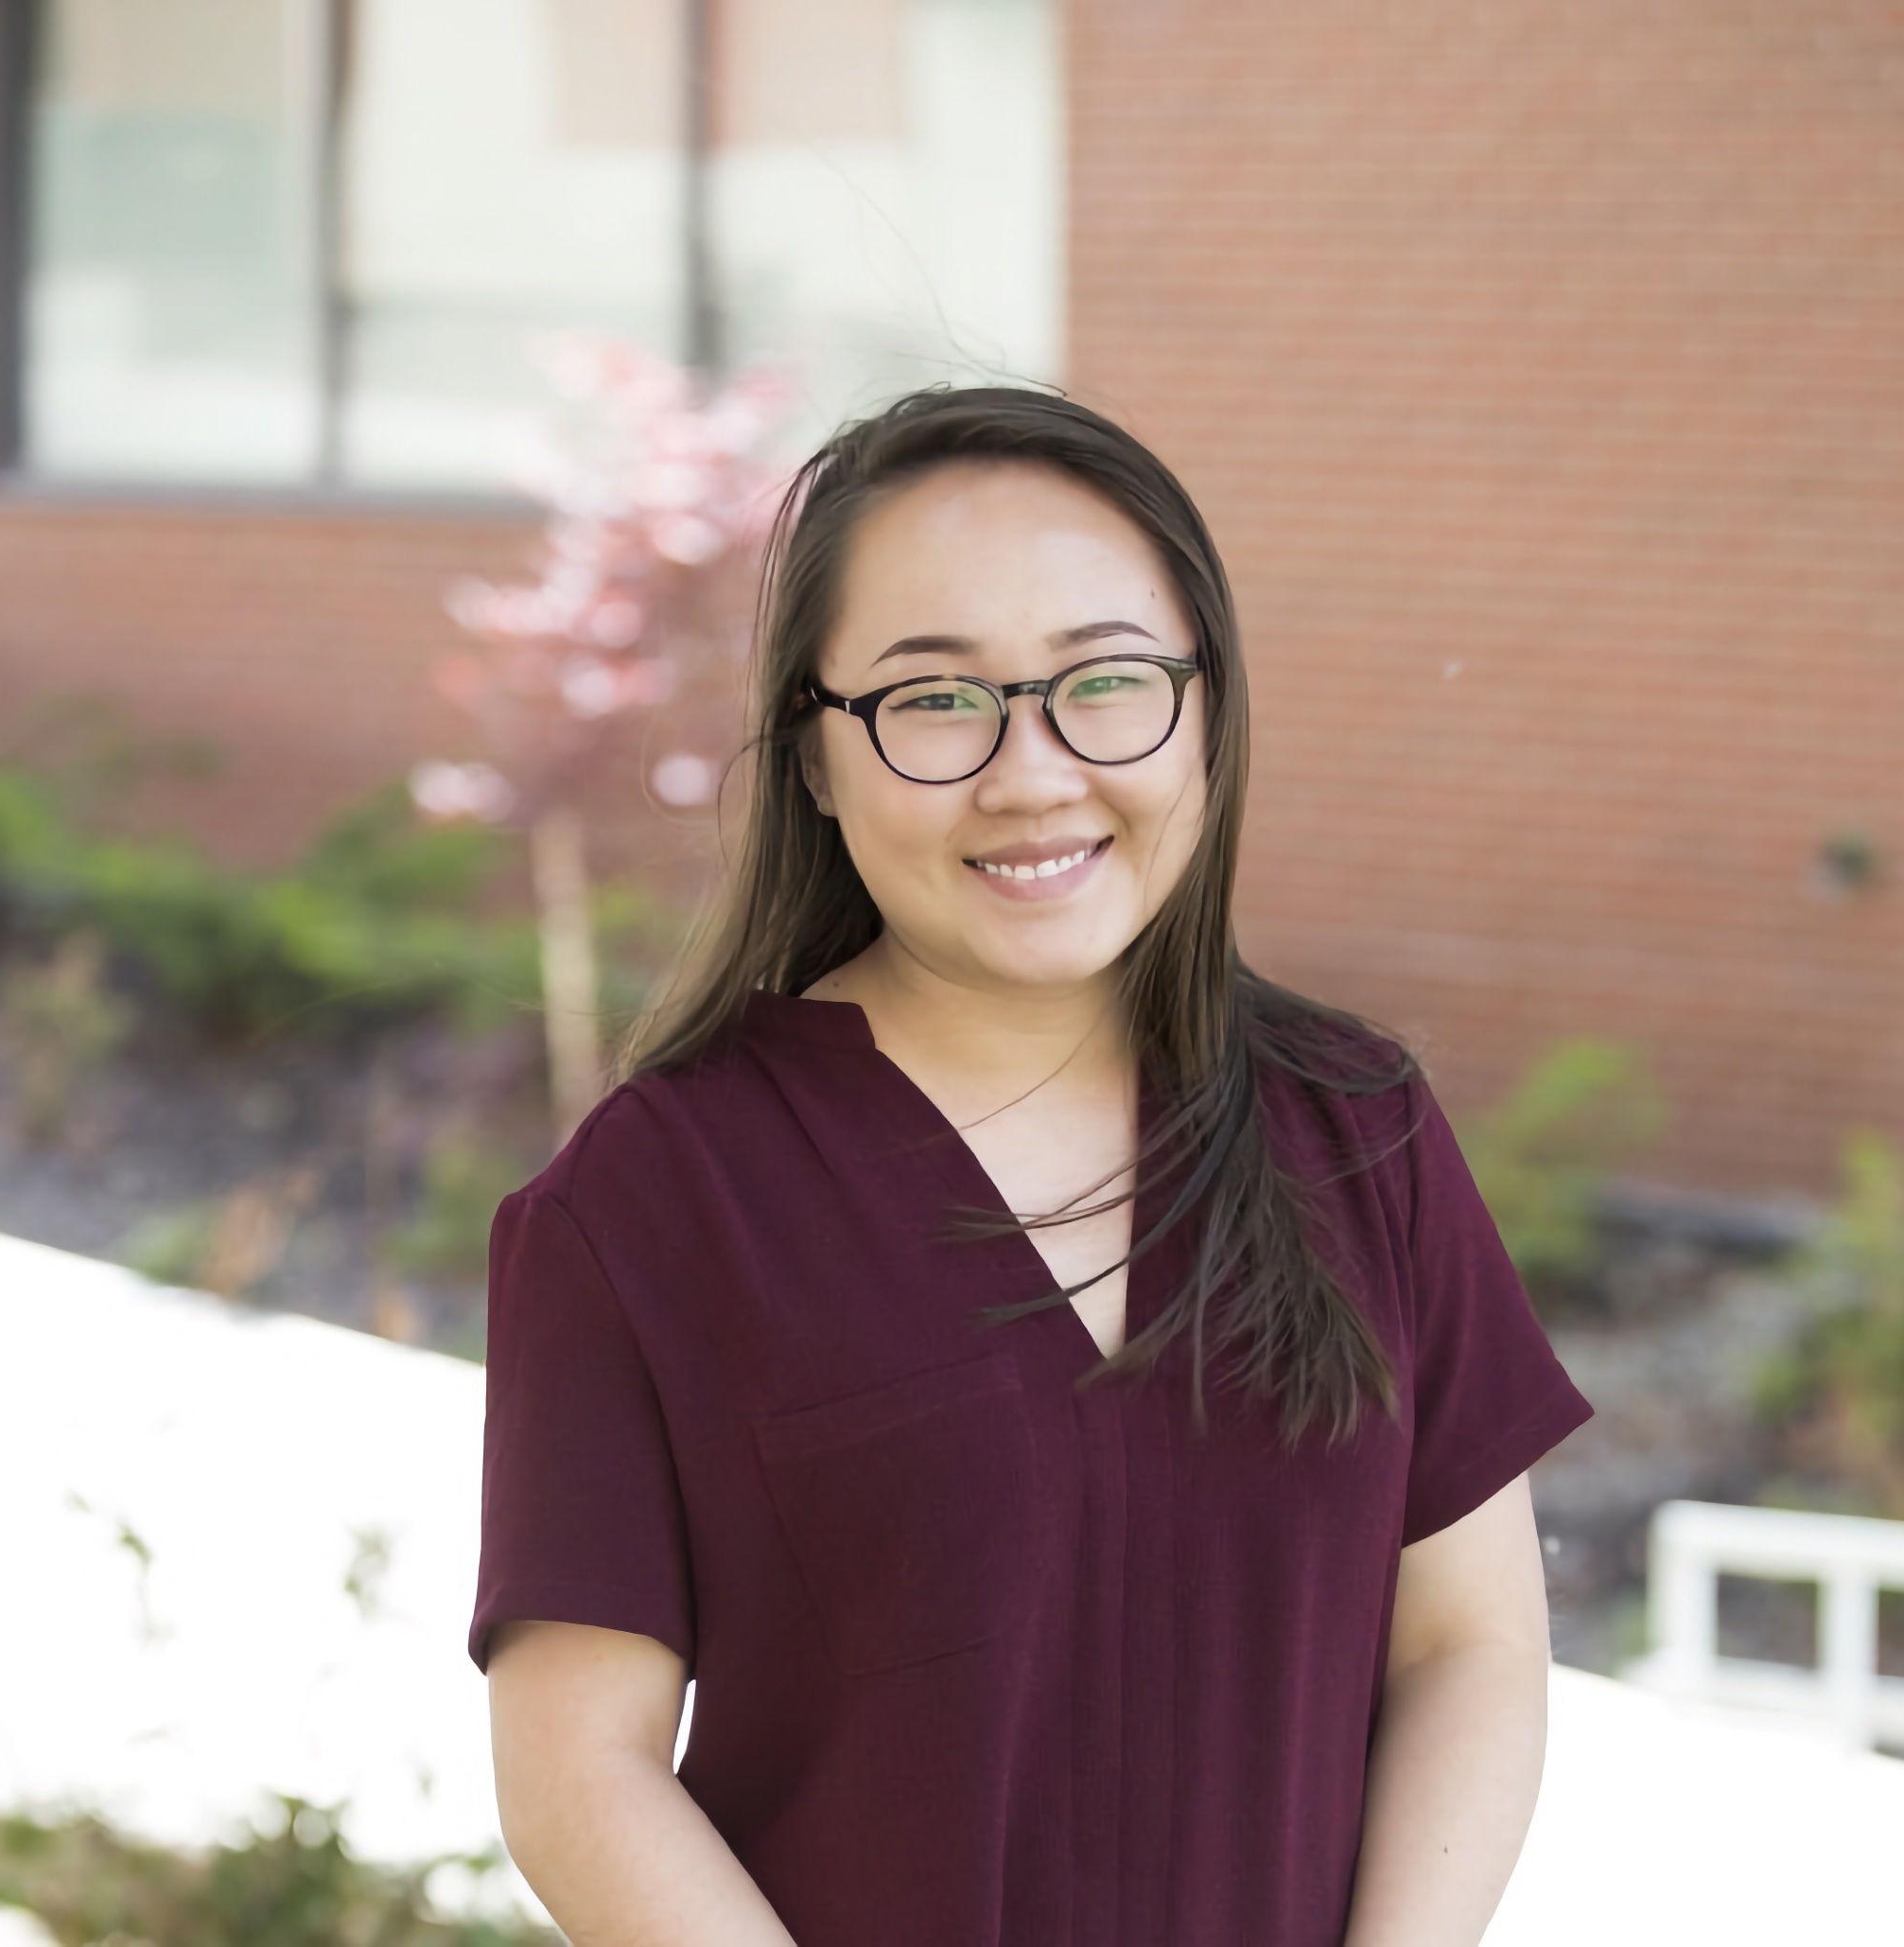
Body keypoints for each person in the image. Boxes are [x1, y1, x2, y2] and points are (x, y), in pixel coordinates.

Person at [470, 388, 1592, 1947]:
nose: (1035, 775)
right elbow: (579, 1770)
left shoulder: (1358, 1129)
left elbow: (1466, 1647)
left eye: (1106, 682)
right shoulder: (652, 1205)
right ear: (813, 750)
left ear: (1205, 703)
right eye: (939, 702)